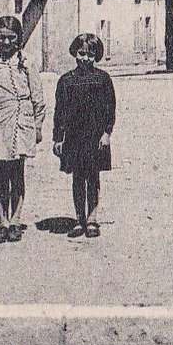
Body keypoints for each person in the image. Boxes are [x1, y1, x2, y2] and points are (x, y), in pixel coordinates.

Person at [0, 15, 46, 244]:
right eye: (1, 38)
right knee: (0, 176)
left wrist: (37, 127)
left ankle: (16, 221)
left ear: (18, 39)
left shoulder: (27, 62)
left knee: (17, 174)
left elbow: (38, 99)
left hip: (21, 122)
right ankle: (2, 222)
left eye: (10, 38)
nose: (5, 43)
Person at [53, 33, 116, 240]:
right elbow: (59, 111)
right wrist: (58, 138)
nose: (85, 58)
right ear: (75, 53)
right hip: (73, 137)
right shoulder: (65, 81)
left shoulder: (103, 79)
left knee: (93, 177)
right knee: (78, 179)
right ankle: (79, 219)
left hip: (95, 137)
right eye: (82, 53)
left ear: (96, 56)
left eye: (91, 54)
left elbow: (110, 108)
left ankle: (92, 219)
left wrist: (107, 133)